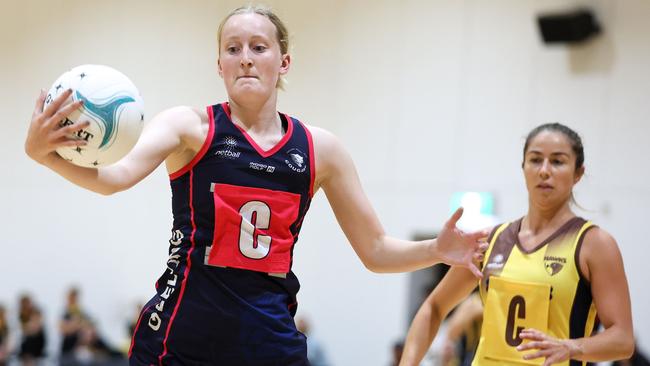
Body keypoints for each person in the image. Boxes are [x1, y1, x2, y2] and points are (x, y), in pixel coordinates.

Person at [25, 5, 488, 365]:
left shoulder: (320, 149)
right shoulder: (189, 127)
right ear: (219, 65)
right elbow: (113, 178)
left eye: (258, 47)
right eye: (233, 48)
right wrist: (44, 155)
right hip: (179, 339)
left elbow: (375, 250)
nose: (245, 57)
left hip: (268, 343)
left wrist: (436, 249)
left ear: (283, 61)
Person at [399, 123, 635, 366]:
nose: (544, 170)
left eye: (557, 161)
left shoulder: (594, 244)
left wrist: (571, 346)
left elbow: (623, 340)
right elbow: (434, 308)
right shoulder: (491, 241)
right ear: (523, 167)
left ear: (578, 173)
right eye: (535, 160)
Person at [18, 294, 46, 366]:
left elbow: (37, 328)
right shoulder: (22, 317)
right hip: (27, 352)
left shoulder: (35, 312)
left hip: (37, 351)